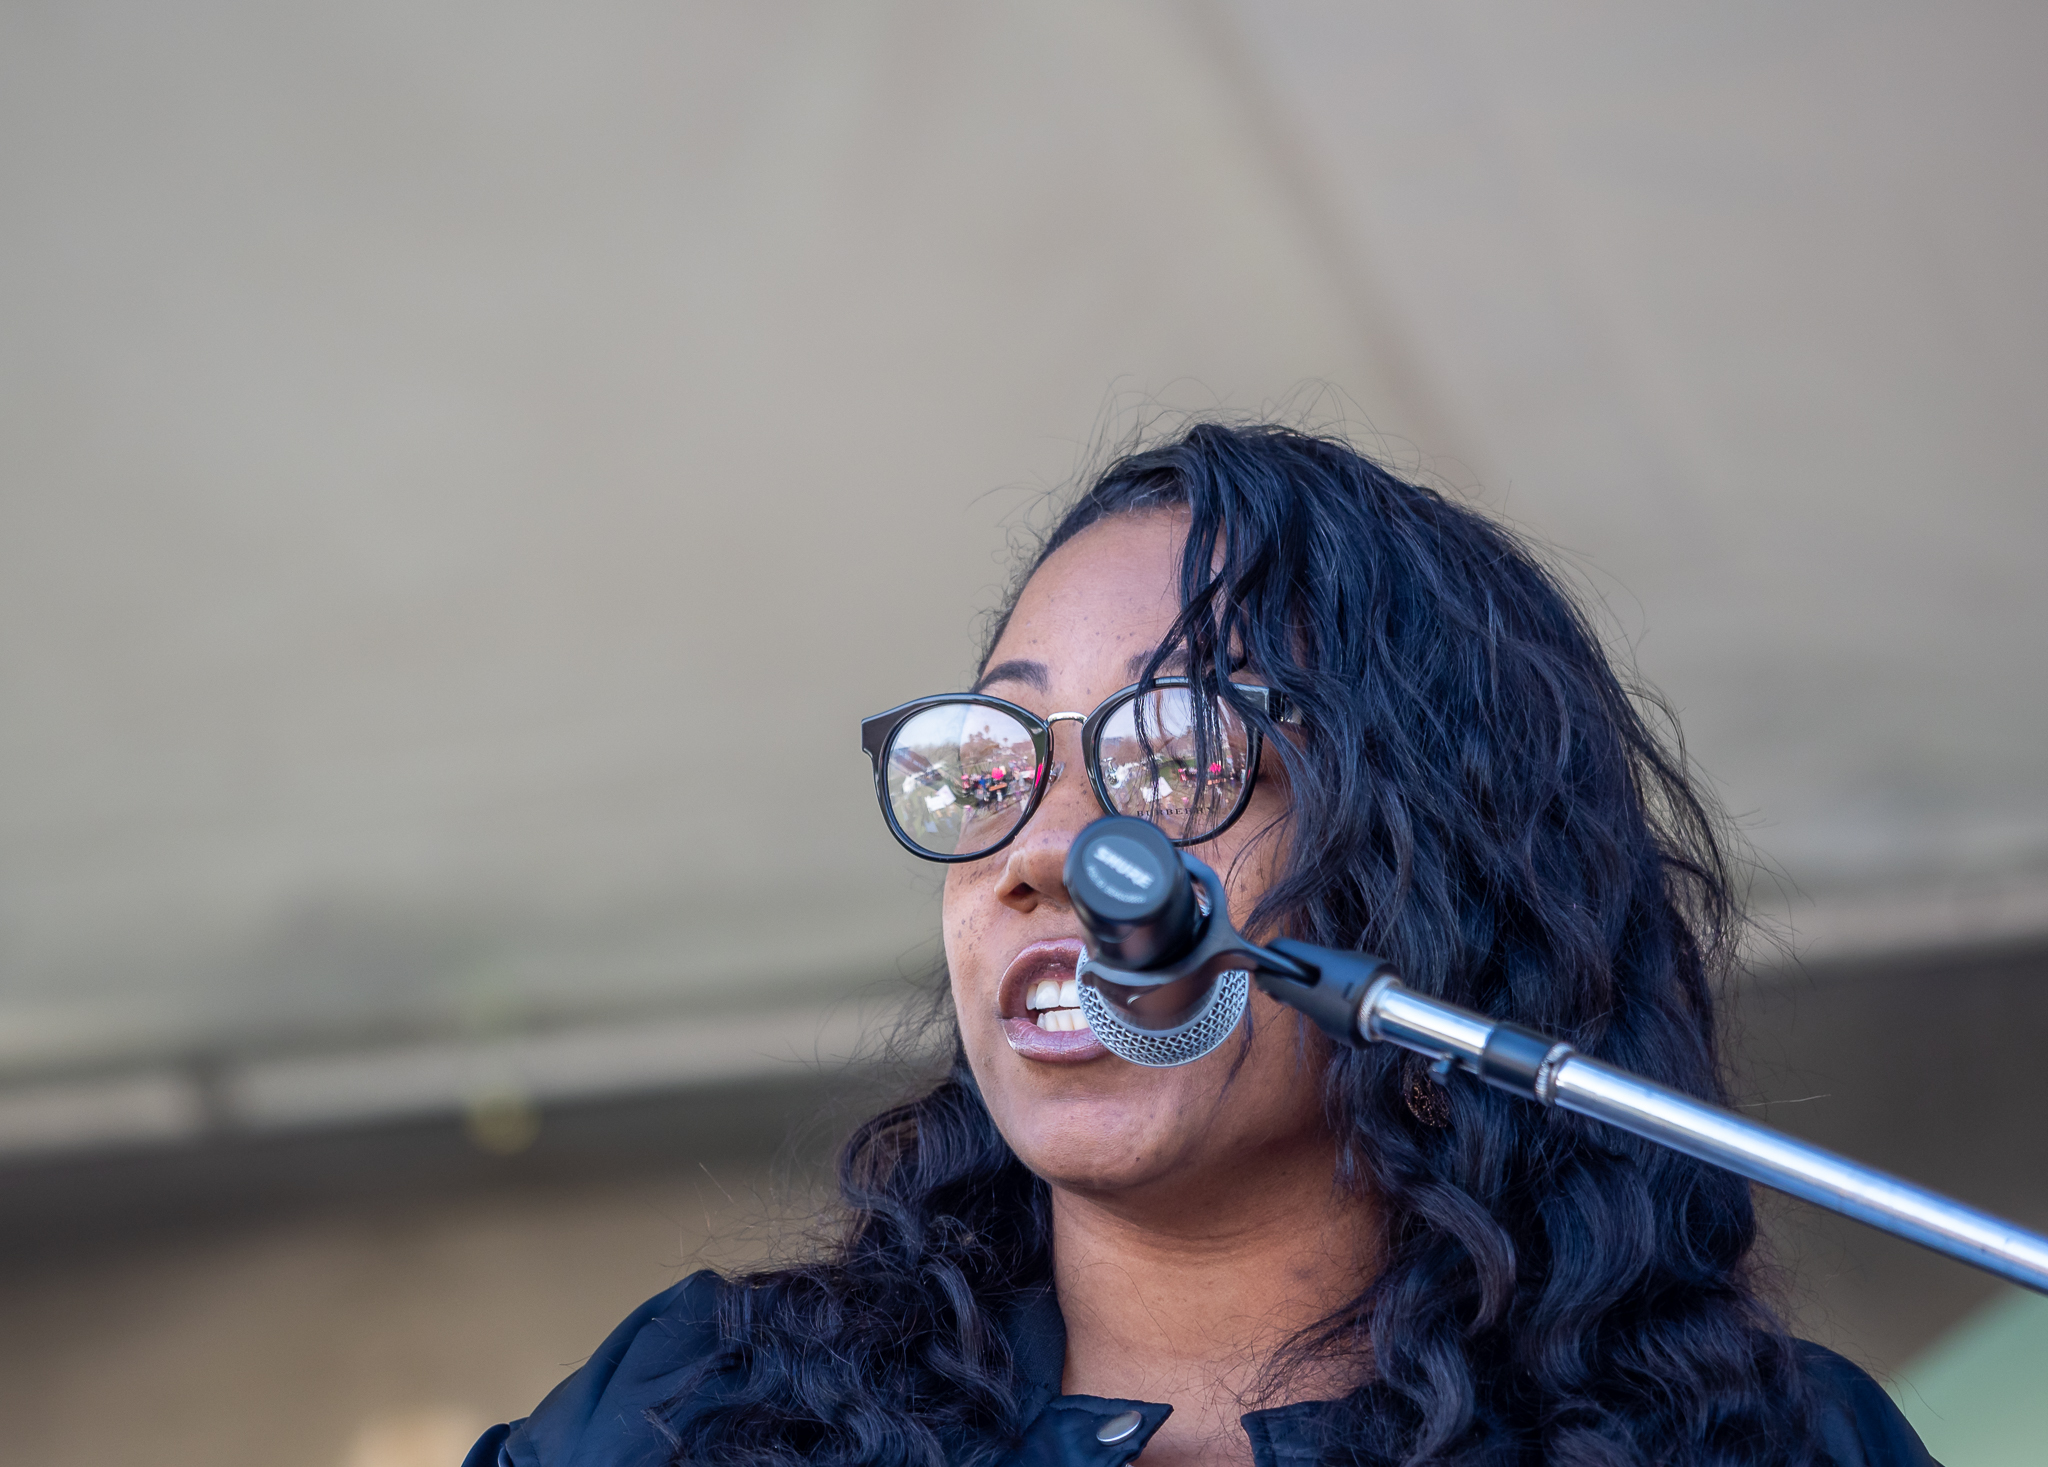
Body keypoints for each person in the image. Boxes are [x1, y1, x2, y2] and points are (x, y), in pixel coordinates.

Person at [465, 423, 1936, 1467]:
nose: (1044, 850)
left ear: (1432, 877)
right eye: (993, 763)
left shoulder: (1772, 1445)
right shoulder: (693, 1416)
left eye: (1174, 759)